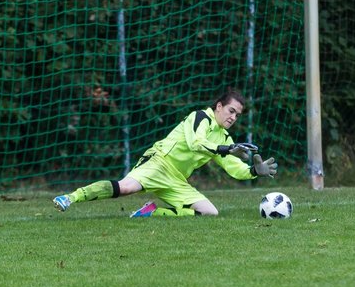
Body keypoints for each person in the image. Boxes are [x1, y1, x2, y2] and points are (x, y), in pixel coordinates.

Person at [52, 88, 277, 217]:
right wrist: (227, 148)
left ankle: (152, 212)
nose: (233, 117)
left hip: (176, 179)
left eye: (237, 115)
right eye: (231, 111)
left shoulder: (224, 137)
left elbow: (233, 168)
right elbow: (195, 143)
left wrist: (255, 172)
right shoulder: (200, 117)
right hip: (159, 161)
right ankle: (71, 197)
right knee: (126, 188)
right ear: (218, 106)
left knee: (210, 213)